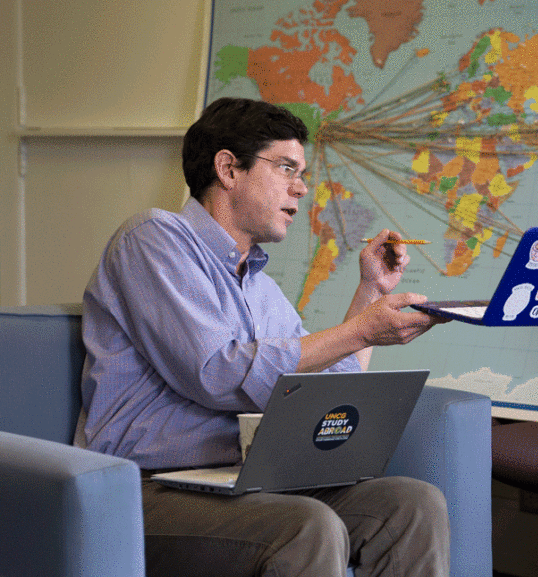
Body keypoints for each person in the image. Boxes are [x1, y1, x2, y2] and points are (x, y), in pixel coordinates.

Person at [76, 97, 450, 577]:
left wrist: (371, 293)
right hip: (146, 488)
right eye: (286, 168)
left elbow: (328, 386)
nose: (302, 188)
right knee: (308, 526)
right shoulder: (152, 239)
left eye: (302, 174)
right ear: (228, 169)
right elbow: (216, 374)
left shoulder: (261, 289)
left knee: (412, 506)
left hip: (245, 481)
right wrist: (360, 329)